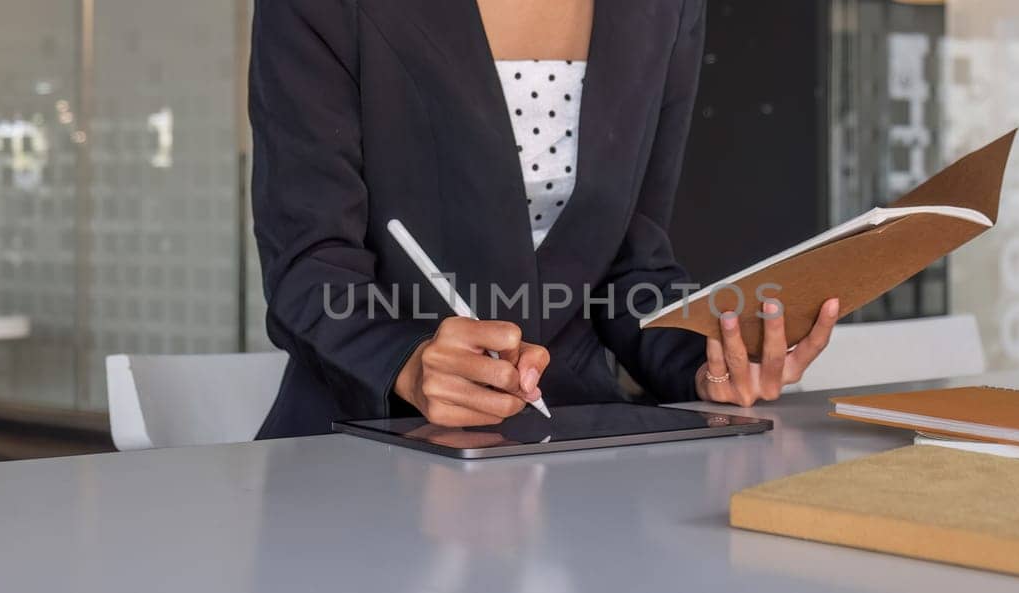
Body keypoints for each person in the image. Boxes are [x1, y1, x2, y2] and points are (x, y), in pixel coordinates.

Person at [249, 0, 839, 439]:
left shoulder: (667, 8)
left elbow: (634, 264)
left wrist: (707, 366)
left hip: (577, 459)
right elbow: (308, 263)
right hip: (360, 454)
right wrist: (404, 362)